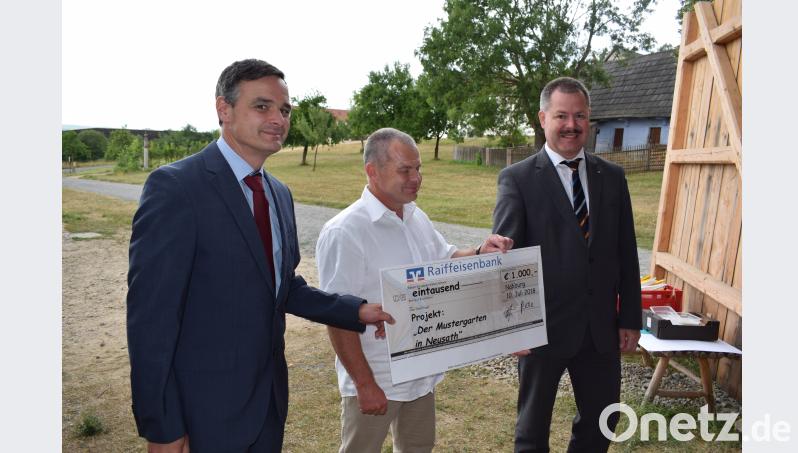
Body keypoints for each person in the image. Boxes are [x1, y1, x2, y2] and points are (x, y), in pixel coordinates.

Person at [126, 59, 393, 453]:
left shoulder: (279, 194)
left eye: (284, 110)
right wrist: (163, 427)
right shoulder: (177, 189)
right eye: (262, 106)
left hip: (266, 403)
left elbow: (281, 286)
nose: (278, 119)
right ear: (224, 110)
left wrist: (354, 311)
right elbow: (151, 322)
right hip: (203, 414)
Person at [316, 127, 513, 453]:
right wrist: (364, 385)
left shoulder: (414, 215)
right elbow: (336, 317)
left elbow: (446, 258)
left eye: (418, 168)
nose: (416, 178)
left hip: (421, 374)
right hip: (377, 376)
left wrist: (480, 251)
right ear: (372, 171)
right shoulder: (345, 231)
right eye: (405, 170)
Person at [492, 77, 642, 452]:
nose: (571, 125)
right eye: (561, 115)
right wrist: (512, 327)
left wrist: (629, 319)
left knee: (602, 420)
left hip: (600, 329)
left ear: (589, 120)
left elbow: (626, 250)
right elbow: (505, 258)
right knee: (532, 427)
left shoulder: (613, 177)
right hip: (540, 327)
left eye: (580, 116)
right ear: (544, 118)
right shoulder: (518, 179)